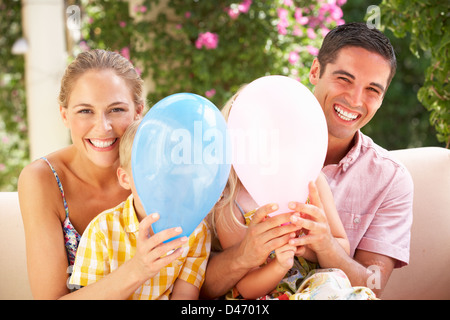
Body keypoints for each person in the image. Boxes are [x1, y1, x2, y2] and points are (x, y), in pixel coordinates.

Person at [201, 22, 413, 299]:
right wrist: (250, 256)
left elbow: (372, 286)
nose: (354, 99)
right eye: (344, 79)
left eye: (373, 89)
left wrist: (327, 247)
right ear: (315, 71)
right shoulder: (227, 178)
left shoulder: (390, 179)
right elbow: (196, 286)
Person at [18, 49, 182, 299]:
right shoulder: (42, 180)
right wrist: (137, 270)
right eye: (85, 111)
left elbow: (195, 270)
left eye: (116, 110)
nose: (103, 127)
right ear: (65, 115)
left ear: (138, 112)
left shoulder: (162, 173)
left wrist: (243, 256)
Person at [69, 120, 211, 299]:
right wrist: (138, 269)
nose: (163, 184)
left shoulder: (196, 230)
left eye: (174, 172)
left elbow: (185, 296)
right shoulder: (101, 231)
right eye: (150, 173)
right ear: (125, 178)